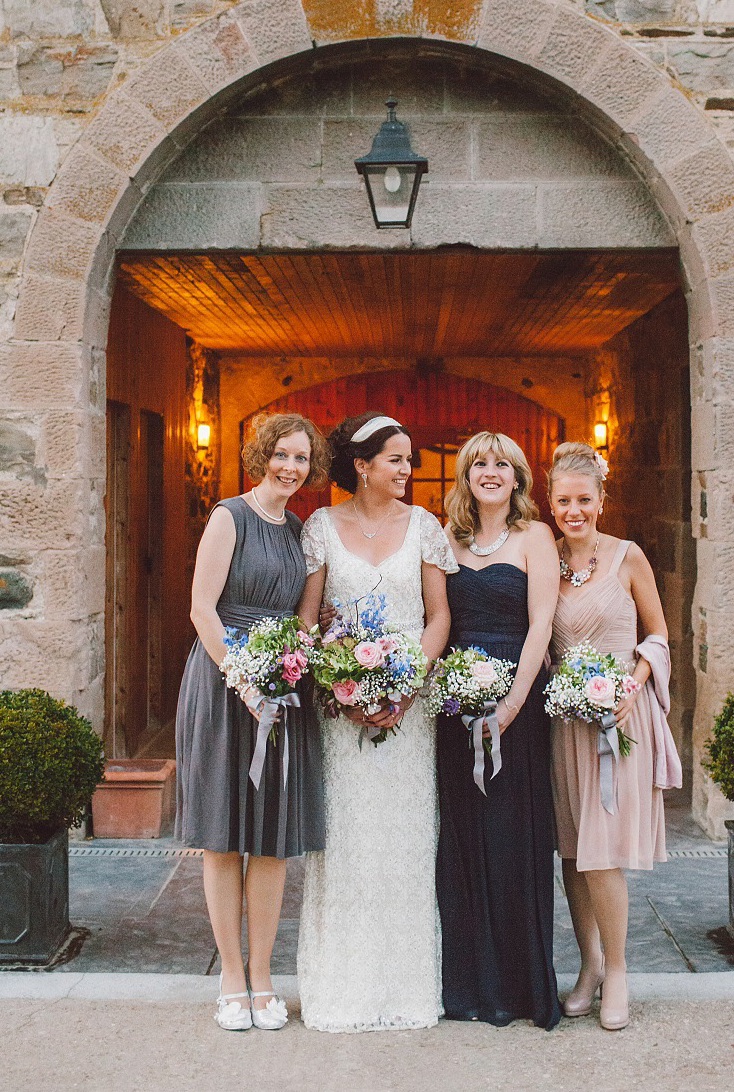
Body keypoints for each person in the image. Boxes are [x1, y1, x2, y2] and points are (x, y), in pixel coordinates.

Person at [296, 412, 456, 1032]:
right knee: (347, 844)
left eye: (410, 460)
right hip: (341, 715)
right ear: (361, 466)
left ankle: (406, 990)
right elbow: (309, 620)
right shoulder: (321, 527)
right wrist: (342, 681)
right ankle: (342, 990)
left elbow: (437, 615)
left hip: (409, 714)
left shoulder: (425, 526)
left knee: (406, 842)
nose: (407, 471)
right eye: (397, 460)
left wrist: (407, 680)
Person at [175, 412, 330, 1032]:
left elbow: (302, 616)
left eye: (301, 459)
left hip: (282, 689)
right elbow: (201, 609)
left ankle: (265, 976)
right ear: (261, 454)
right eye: (281, 454)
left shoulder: (299, 531)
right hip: (223, 685)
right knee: (222, 834)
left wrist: (287, 674)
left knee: (269, 838)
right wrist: (244, 678)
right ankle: (230, 979)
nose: (290, 467)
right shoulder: (228, 516)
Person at [548, 441, 682, 1031]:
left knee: (604, 858)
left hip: (620, 723)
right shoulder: (543, 558)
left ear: (602, 500)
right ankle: (589, 965)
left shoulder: (629, 558)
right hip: (563, 727)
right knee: (574, 856)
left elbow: (659, 634)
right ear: (550, 503)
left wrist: (632, 685)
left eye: (583, 499)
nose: (573, 510)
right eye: (562, 500)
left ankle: (620, 970)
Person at [437, 431, 561, 1028]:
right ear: (466, 477)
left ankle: (520, 987)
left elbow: (541, 623)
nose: (490, 472)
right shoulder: (447, 540)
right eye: (478, 464)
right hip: (455, 708)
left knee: (514, 838)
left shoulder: (536, 538)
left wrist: (512, 703)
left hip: (520, 702)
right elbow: (436, 618)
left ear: (518, 479)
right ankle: (468, 986)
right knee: (464, 841)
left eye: (501, 464)